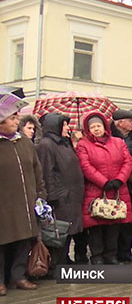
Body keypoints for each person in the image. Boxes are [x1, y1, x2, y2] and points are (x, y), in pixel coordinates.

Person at [0, 93, 45, 294]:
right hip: (4, 202)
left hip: (26, 201)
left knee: (24, 239)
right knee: (2, 241)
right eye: (13, 118)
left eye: (17, 117)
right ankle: (0, 280)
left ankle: (18, 276)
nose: (16, 121)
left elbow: (37, 169)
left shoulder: (24, 142)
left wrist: (40, 194)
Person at [75, 112, 132, 265]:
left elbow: (128, 161)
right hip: (95, 190)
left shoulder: (118, 142)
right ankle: (97, 256)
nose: (96, 129)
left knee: (114, 224)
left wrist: (119, 179)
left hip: (117, 189)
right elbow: (85, 165)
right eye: (92, 127)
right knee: (96, 225)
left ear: (105, 126)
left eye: (98, 126)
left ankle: (111, 255)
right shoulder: (83, 144)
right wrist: (103, 182)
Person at [35, 113, 85, 270]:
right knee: (58, 231)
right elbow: (46, 172)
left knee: (68, 230)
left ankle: (63, 258)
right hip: (61, 196)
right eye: (63, 125)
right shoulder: (46, 145)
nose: (67, 128)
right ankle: (55, 263)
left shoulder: (63, 143)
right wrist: (52, 196)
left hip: (71, 195)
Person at [110, 109, 132, 263]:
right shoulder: (110, 137)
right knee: (116, 220)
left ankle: (126, 251)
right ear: (120, 123)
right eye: (129, 120)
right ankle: (113, 252)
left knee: (129, 219)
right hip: (116, 183)